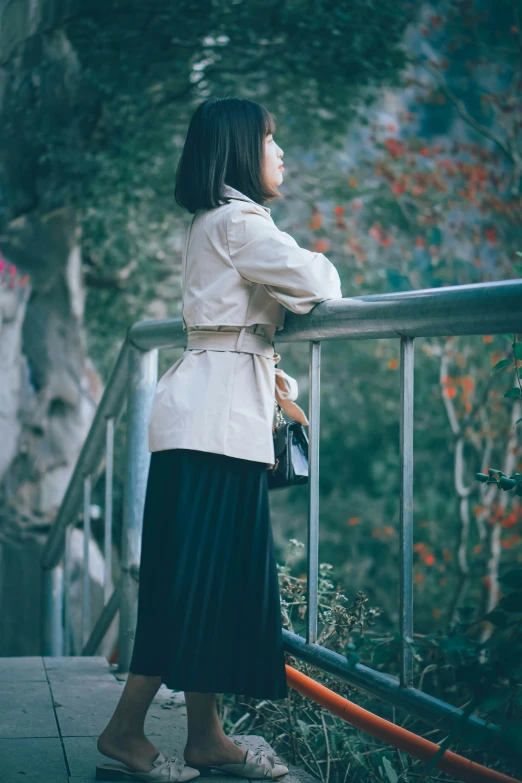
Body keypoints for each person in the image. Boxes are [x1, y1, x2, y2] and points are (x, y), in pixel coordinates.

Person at [96, 97, 343, 782]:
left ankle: (205, 734)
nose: (281, 152)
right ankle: (124, 729)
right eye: (271, 139)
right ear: (240, 151)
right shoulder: (239, 222)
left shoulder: (215, 221)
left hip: (210, 419)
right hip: (213, 426)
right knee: (191, 583)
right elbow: (320, 281)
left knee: (206, 580)